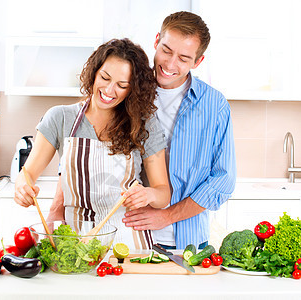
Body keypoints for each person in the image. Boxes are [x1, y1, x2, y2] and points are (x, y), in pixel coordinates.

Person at [14, 38, 171, 249]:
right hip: (74, 240)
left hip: (127, 241)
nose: (109, 90)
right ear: (94, 72)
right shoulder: (60, 117)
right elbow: (27, 173)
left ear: (132, 90)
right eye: (105, 77)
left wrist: (149, 194)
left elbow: (163, 194)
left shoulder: (144, 123)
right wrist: (23, 186)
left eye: (122, 85)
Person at [122, 11, 237, 250]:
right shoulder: (125, 90)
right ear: (156, 41)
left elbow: (223, 181)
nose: (170, 64)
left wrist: (167, 216)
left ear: (198, 62)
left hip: (188, 243)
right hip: (129, 238)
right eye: (166, 50)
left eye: (184, 58)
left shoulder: (214, 106)